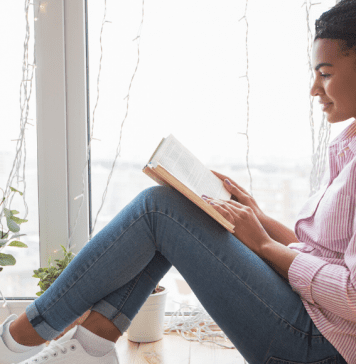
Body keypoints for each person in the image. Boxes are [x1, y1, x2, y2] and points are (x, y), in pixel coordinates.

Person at [1, 0, 355, 363]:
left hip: (321, 344)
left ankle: (18, 340)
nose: (314, 89)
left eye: (325, 73)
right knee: (165, 216)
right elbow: (328, 257)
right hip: (312, 318)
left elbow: (352, 296)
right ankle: (88, 349)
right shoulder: (349, 145)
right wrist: (258, 217)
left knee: (158, 209)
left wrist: (264, 245)